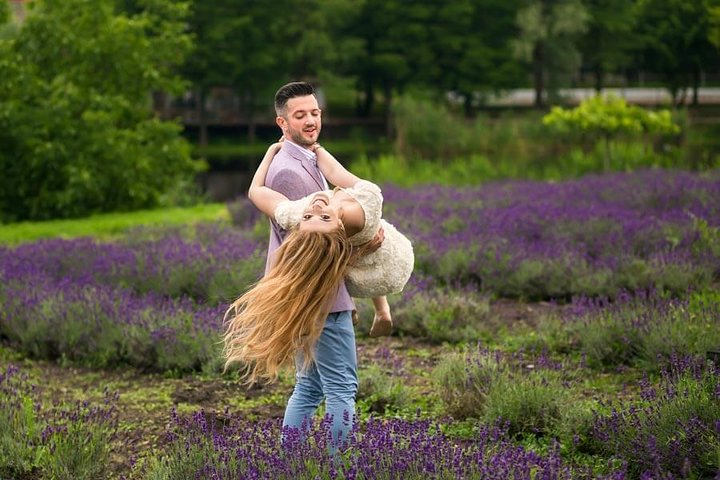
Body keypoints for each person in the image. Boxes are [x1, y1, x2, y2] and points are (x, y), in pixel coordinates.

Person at [223, 81, 375, 451]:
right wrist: (363, 247)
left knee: (309, 386)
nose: (310, 121)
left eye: (315, 113)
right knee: (341, 387)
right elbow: (310, 248)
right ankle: (339, 468)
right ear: (282, 123)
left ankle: (289, 460)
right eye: (300, 115)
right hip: (318, 295)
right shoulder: (289, 172)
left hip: (309, 296)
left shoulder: (303, 159)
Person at [247, 140, 414, 337]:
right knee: (334, 263)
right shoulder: (365, 202)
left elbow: (255, 192)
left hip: (373, 249)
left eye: (309, 217)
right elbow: (335, 171)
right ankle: (373, 309)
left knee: (347, 253)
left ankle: (377, 310)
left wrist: (280, 150)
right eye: (323, 217)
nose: (315, 209)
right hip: (374, 255)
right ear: (340, 231)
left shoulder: (302, 214)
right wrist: (282, 150)